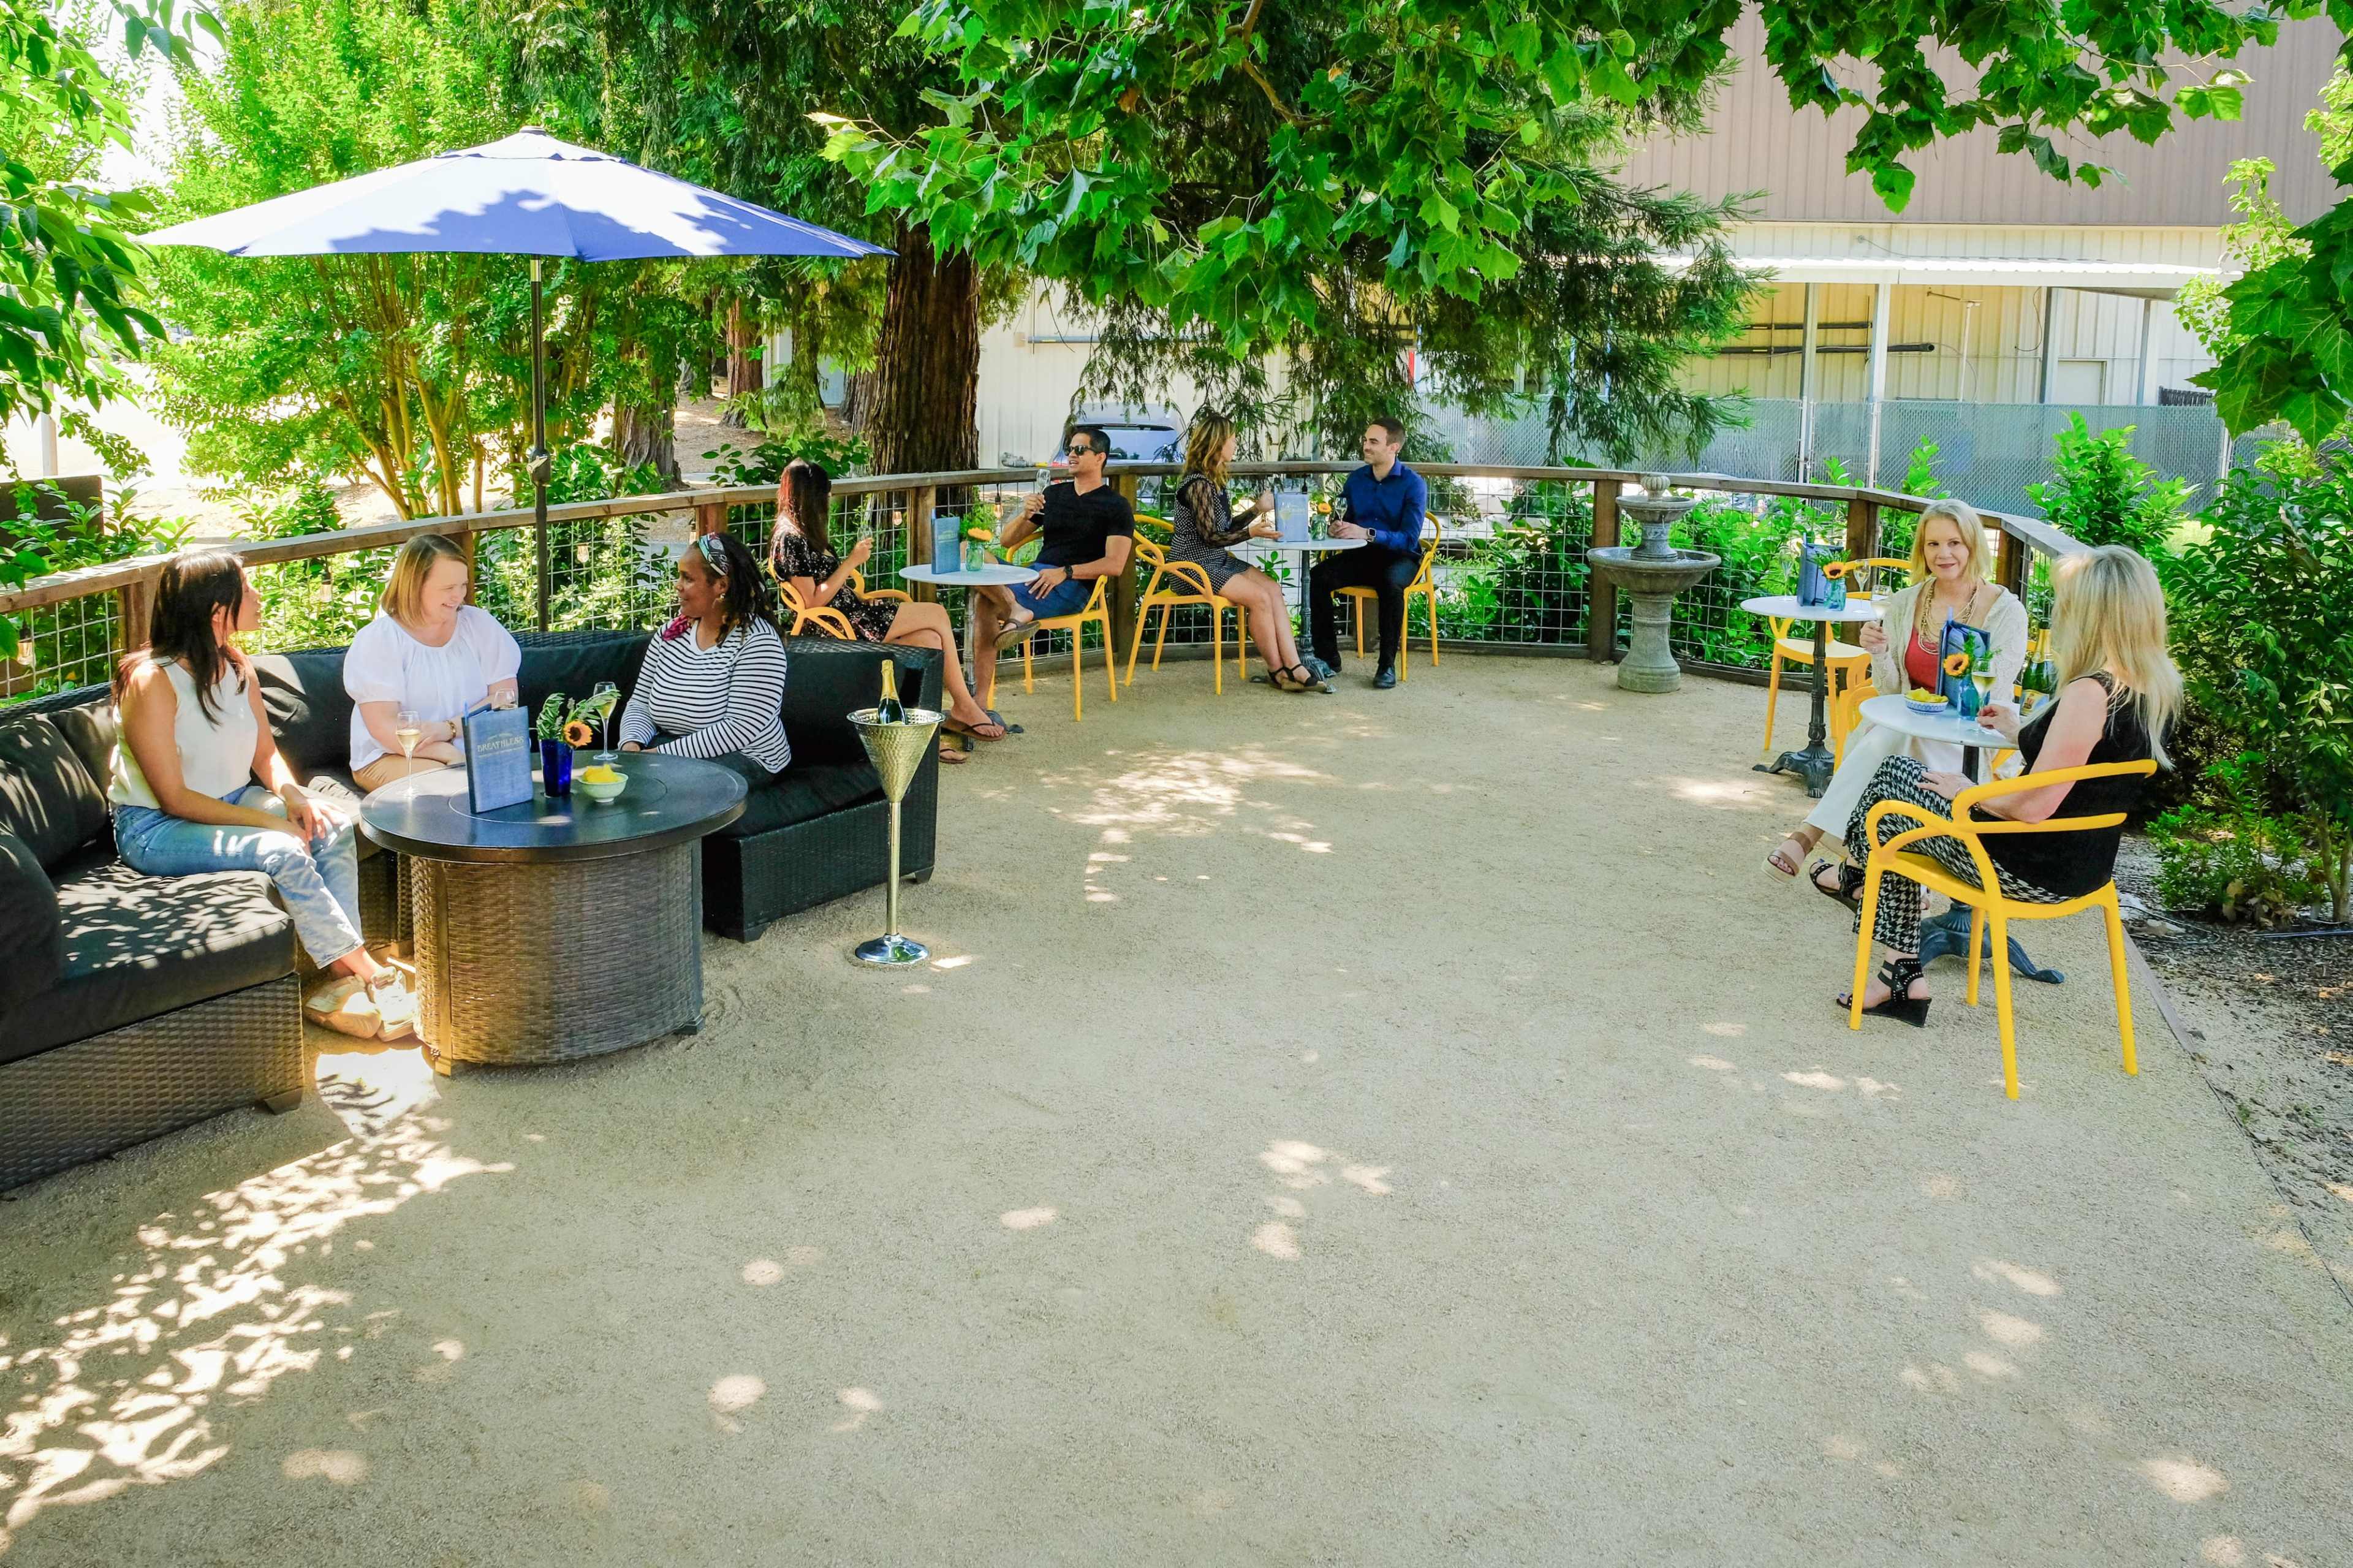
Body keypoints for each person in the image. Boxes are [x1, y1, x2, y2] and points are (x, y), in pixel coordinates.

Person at [1821, 545, 2179, 1023]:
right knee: (1897, 811)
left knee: (1893, 785)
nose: (2061, 612)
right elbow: (2083, 763)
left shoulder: (2089, 692)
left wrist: (1967, 793)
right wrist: (2021, 730)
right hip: (2083, 867)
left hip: (2023, 865)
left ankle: (1866, 892)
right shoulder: (2154, 686)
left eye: (2067, 602)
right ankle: (1892, 954)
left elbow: (2033, 806)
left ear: (2092, 613)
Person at [109, 550, 418, 1040]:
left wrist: (295, 798)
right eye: (247, 589)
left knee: (331, 823)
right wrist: (275, 824)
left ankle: (340, 984)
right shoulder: (152, 681)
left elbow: (265, 756)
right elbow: (173, 799)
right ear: (216, 609)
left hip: (230, 798)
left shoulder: (235, 664)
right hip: (155, 826)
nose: (257, 596)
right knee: (284, 847)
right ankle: (366, 973)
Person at [1765, 498, 2028, 881]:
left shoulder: (2006, 610)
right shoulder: (1908, 601)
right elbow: (1890, 688)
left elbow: (1994, 689)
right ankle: (1873, 874)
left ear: (1972, 545)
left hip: (1963, 733)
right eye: (1933, 544)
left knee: (1891, 741)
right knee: (1891, 735)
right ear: (1922, 549)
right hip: (1908, 720)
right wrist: (1880, 651)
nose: (1943, 554)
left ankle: (1811, 837)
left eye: (1954, 543)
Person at [765, 458, 1005, 756]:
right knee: (937, 613)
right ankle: (964, 706)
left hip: (853, 612)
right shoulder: (790, 539)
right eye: (825, 491)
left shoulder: (803, 532)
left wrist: (862, 597)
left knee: (930, 641)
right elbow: (813, 601)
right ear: (810, 495)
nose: (829, 497)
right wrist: (852, 561)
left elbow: (828, 586)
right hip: (836, 625)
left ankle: (924, 740)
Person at [618, 532, 796, 822]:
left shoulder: (758, 643)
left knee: (662, 792)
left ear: (721, 586)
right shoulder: (670, 635)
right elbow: (640, 703)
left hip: (747, 756)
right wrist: (632, 746)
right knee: (618, 780)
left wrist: (660, 757)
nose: (678, 587)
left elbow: (739, 728)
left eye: (688, 579)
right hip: (672, 748)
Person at [968, 423, 1136, 713]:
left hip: (1071, 586)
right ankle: (1016, 610)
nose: (1071, 455)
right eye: (1069, 449)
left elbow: (1115, 565)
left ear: (1100, 458)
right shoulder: (1055, 495)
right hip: (1033, 576)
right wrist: (1026, 515)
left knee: (985, 603)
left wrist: (1066, 572)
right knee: (967, 552)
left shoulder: (1115, 506)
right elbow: (1008, 539)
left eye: (1080, 450)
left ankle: (978, 705)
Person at [343, 533, 522, 792]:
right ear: (414, 585)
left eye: (463, 585)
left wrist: (448, 729)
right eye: (448, 588)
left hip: (473, 750)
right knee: (457, 787)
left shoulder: (479, 624)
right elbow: (386, 729)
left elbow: (505, 699)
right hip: (392, 756)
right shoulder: (378, 640)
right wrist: (449, 755)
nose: (459, 596)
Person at [1167, 412, 1324, 692]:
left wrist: (1255, 511)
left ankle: (1295, 664)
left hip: (1215, 560)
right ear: (1217, 444)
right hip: (1192, 566)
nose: (1236, 444)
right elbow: (1212, 536)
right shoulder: (1198, 485)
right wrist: (1251, 532)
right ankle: (1278, 672)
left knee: (1273, 589)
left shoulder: (1212, 481)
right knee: (1260, 599)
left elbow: (1223, 527)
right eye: (1232, 438)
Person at [1309, 417, 1427, 689]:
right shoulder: (1356, 479)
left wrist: (1368, 533)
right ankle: (1328, 659)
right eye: (1365, 440)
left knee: (1390, 584)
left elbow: (1410, 539)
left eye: (1373, 441)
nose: (1366, 446)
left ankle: (1386, 665)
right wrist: (1337, 526)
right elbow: (1346, 518)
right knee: (1318, 577)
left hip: (1401, 557)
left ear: (1393, 447)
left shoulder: (1413, 484)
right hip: (1363, 555)